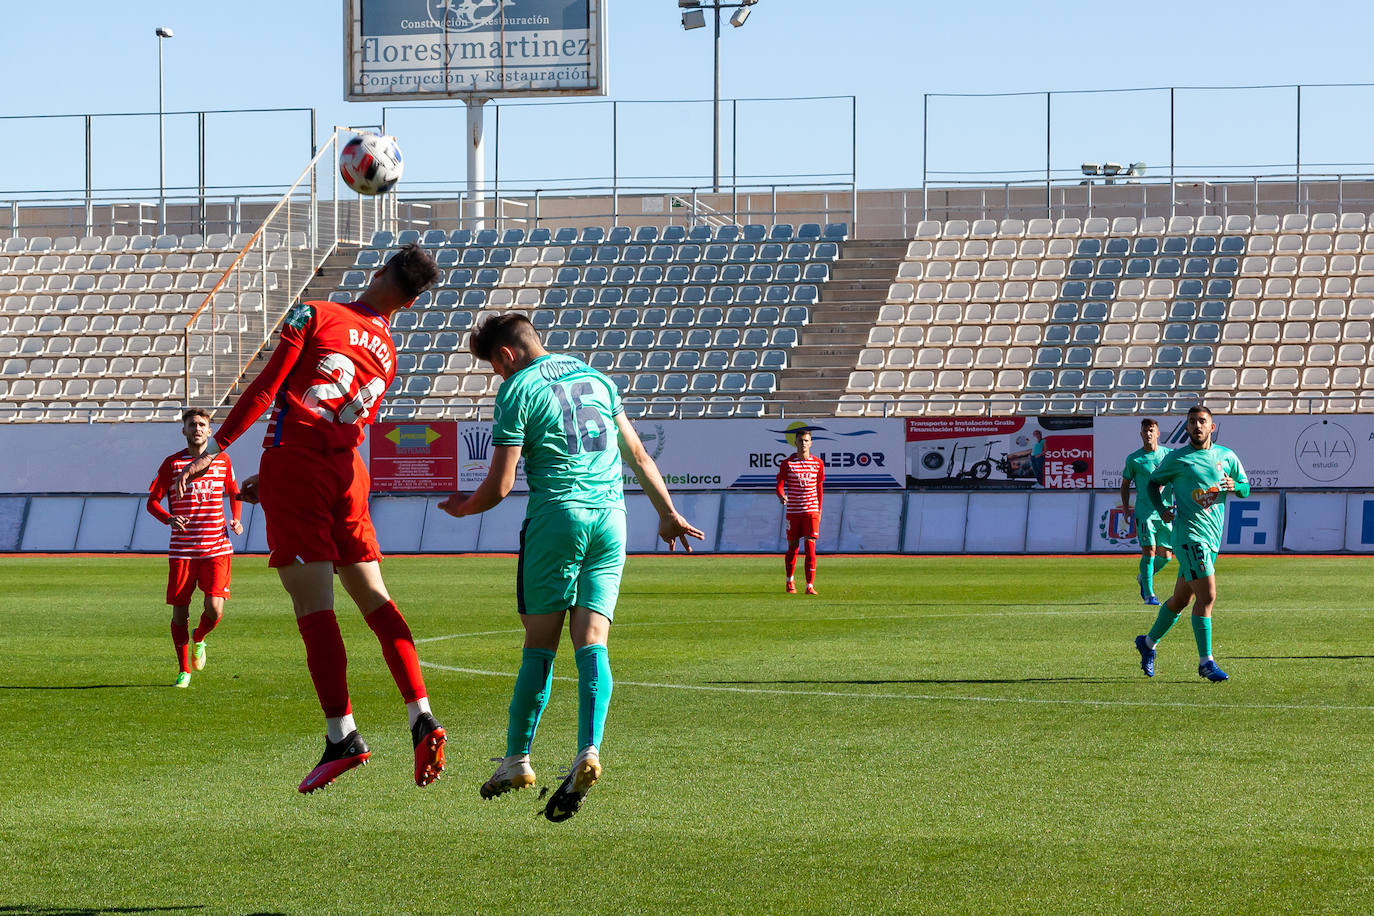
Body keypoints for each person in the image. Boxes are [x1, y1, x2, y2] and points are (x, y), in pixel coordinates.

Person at [174, 242, 448, 793]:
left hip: (297, 463)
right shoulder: (390, 351)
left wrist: (216, 448)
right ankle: (422, 714)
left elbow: (270, 386)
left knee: (313, 606)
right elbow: (337, 418)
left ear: (377, 271)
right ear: (411, 305)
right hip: (348, 473)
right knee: (375, 597)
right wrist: (272, 482)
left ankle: (342, 736)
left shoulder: (314, 310)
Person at [438, 313, 703, 823]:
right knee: (593, 642)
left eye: (494, 367)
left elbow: (499, 486)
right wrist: (668, 514)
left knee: (539, 646)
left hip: (557, 517)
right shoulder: (596, 376)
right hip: (612, 520)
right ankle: (588, 750)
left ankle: (517, 759)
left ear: (506, 356)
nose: (498, 376)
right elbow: (640, 454)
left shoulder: (517, 389)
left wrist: (463, 507)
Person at [1134, 405, 1249, 682]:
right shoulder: (1178, 458)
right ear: (1186, 428)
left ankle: (1147, 644)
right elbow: (1152, 484)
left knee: (1181, 599)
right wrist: (1162, 509)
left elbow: (1246, 488)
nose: (1197, 426)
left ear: (1212, 426)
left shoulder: (1227, 456)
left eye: (1202, 421)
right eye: (1192, 422)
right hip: (1188, 537)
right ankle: (1205, 662)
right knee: (1207, 596)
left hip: (1211, 539)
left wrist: (1235, 486)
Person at [146, 408, 243, 688]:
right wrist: (168, 518)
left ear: (210, 431)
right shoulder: (172, 464)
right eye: (192, 424)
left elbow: (233, 491)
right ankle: (183, 670)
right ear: (184, 430)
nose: (197, 428)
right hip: (183, 551)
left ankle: (199, 637)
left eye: (202, 424)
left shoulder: (222, 460)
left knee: (214, 609)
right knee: (179, 613)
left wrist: (236, 517)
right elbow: (152, 502)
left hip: (217, 547)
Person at [1119, 418, 1173, 606]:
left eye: (1151, 430)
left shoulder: (1169, 455)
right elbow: (1125, 484)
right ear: (1141, 434)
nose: (1148, 434)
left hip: (1165, 512)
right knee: (1148, 551)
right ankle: (1150, 595)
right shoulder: (1134, 459)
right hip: (1144, 512)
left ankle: (1143, 577)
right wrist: (1126, 508)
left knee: (1166, 556)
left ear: (1158, 433)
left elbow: (1178, 478)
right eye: (1145, 431)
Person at [775, 428, 824, 595]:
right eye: (800, 440)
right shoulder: (787, 463)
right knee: (793, 547)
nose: (803, 443)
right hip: (794, 511)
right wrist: (781, 495)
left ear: (811, 443)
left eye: (806, 440)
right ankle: (790, 581)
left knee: (810, 546)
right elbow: (780, 484)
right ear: (795, 442)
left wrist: (819, 508)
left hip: (811, 510)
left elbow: (819, 487)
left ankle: (809, 585)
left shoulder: (818, 463)